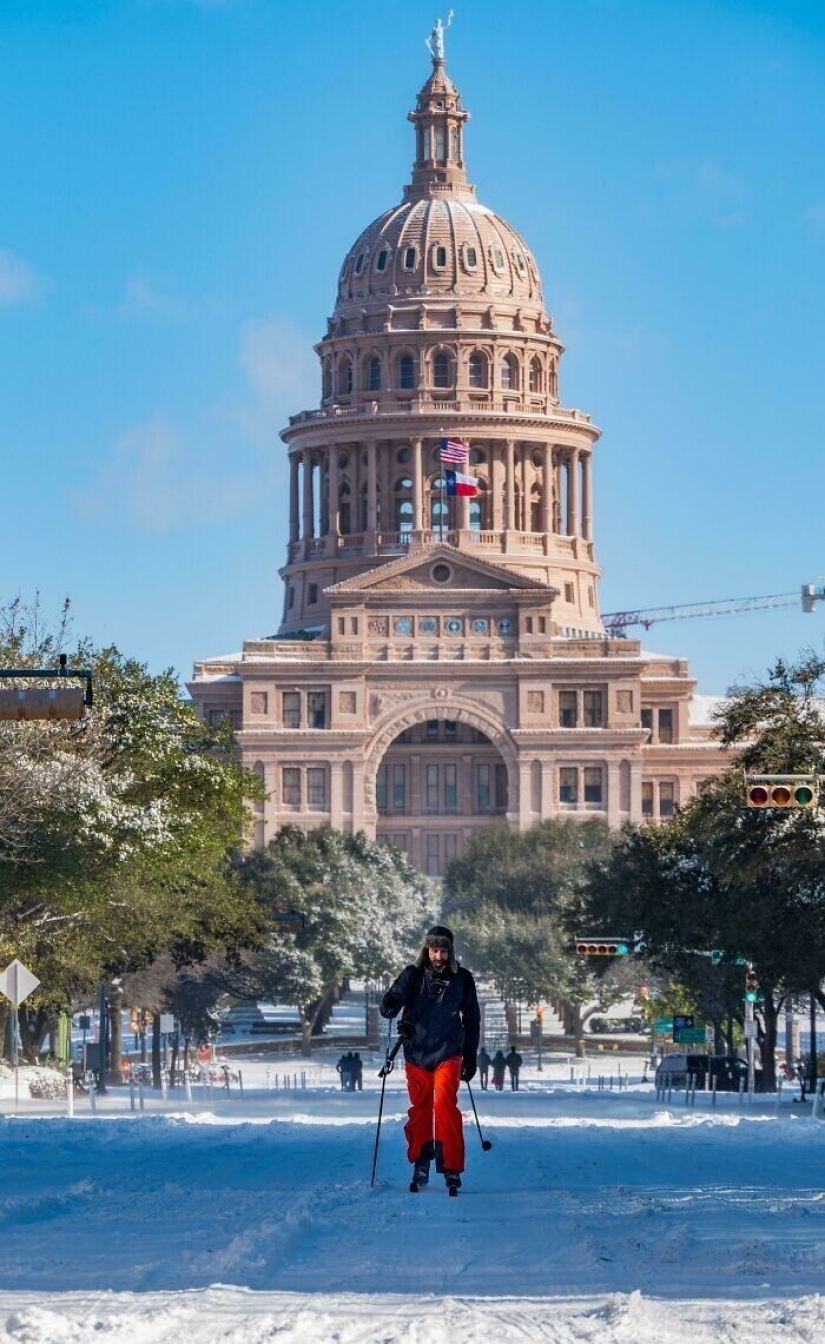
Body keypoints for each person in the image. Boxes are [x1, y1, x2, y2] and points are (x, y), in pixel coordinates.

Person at [380, 924, 480, 1194]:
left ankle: (451, 1167)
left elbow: (472, 1020)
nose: (439, 956)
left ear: (451, 952)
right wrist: (389, 1005)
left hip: (449, 1051)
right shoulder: (412, 975)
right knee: (421, 1108)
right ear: (426, 950)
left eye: (444, 951)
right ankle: (421, 1161)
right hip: (416, 1052)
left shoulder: (463, 979)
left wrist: (470, 1057)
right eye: (434, 951)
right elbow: (392, 1001)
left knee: (444, 1104)